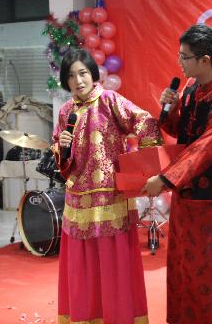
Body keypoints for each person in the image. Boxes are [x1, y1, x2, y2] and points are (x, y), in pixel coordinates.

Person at [141, 24, 212, 324]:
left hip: (207, 194)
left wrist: (164, 180)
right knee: (181, 260)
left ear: (205, 60)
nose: (180, 62)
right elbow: (181, 132)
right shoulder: (190, 88)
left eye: (184, 57)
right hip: (184, 189)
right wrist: (170, 109)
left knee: (206, 264)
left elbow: (204, 150)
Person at [52, 47, 160, 324]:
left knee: (113, 264)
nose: (78, 80)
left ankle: (118, 316)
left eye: (83, 73)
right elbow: (59, 157)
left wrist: (145, 168)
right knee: (82, 267)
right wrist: (60, 148)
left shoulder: (109, 100)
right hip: (77, 199)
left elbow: (145, 122)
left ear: (93, 73)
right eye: (71, 76)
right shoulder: (65, 112)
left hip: (110, 197)